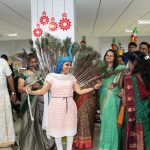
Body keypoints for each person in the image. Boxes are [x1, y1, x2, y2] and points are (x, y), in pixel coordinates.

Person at [26, 47, 102, 150]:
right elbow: (43, 91)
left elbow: (79, 91)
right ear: (61, 64)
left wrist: (93, 87)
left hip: (70, 105)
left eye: (70, 65)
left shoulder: (71, 77)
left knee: (70, 130)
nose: (69, 67)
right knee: (58, 131)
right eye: (67, 64)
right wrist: (31, 92)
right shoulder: (51, 76)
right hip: (56, 105)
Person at [18, 53, 55, 150]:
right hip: (28, 102)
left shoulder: (42, 73)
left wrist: (40, 86)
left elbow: (49, 86)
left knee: (41, 121)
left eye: (35, 61)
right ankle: (28, 145)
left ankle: (44, 144)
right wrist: (30, 87)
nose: (34, 64)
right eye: (31, 62)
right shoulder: (24, 74)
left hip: (41, 101)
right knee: (28, 122)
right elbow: (20, 88)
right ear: (28, 63)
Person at [119, 51, 150, 150]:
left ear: (134, 63)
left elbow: (125, 102)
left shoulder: (129, 79)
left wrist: (121, 94)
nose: (129, 64)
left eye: (130, 62)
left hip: (135, 118)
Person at [98, 49, 125, 150]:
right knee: (104, 120)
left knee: (111, 121)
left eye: (111, 56)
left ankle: (112, 146)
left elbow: (124, 77)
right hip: (103, 93)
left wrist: (115, 83)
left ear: (115, 58)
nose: (108, 57)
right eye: (107, 55)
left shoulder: (120, 68)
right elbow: (100, 81)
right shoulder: (102, 68)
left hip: (112, 96)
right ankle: (104, 144)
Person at [0, 57, 18, 149]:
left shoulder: (2, 62)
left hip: (2, 93)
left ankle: (11, 140)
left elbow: (10, 76)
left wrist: (13, 92)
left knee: (6, 117)